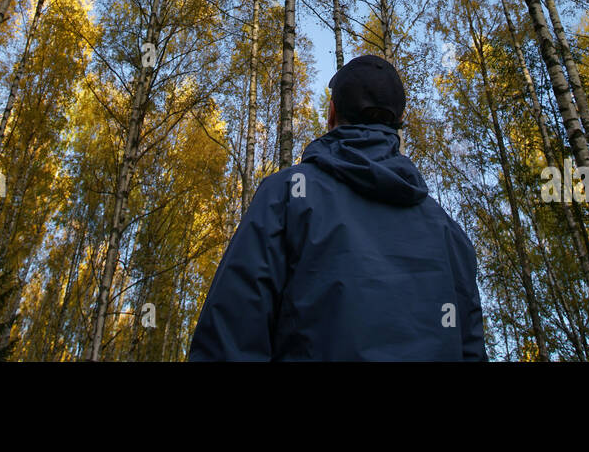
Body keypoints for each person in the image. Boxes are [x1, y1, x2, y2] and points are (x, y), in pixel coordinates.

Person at [188, 54, 487, 361]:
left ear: (331, 114)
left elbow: (229, 338)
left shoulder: (287, 195)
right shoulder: (448, 232)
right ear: (398, 124)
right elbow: (472, 351)